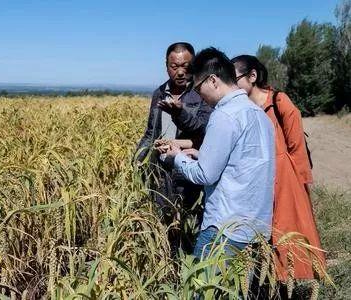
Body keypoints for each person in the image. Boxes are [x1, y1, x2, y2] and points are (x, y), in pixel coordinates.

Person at [158, 47, 275, 259]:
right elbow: (242, 163)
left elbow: (205, 175)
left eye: (199, 88)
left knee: (203, 289)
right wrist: (200, 154)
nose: (200, 96)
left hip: (225, 229)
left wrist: (177, 157)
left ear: (213, 80)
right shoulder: (260, 115)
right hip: (257, 229)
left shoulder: (224, 116)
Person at [231, 55, 326, 282]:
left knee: (289, 230)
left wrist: (298, 186)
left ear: (252, 76)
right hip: (256, 182)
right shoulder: (241, 108)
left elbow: (296, 146)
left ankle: (289, 278)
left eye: (235, 80)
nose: (232, 86)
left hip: (284, 178)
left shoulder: (279, 101)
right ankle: (267, 281)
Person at [135, 42, 212, 253]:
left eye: (185, 66)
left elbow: (203, 130)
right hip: (161, 175)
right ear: (166, 65)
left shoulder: (202, 94)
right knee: (163, 228)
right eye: (173, 66)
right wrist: (138, 160)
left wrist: (180, 114)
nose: (179, 72)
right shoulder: (159, 94)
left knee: (189, 228)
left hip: (189, 176)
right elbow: (151, 132)